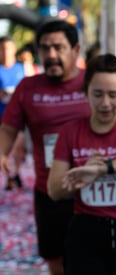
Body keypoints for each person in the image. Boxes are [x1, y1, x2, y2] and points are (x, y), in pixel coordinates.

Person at [47, 53, 116, 275]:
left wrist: (102, 168)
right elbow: (54, 190)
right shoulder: (70, 132)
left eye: (113, 94)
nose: (105, 103)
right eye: (97, 94)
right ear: (85, 92)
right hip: (85, 230)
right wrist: (79, 176)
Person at [0, 20, 91, 275]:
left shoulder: (93, 83)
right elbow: (8, 129)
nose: (51, 55)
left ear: (75, 50)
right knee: (56, 261)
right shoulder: (28, 88)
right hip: (51, 190)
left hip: (95, 188)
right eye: (45, 48)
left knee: (92, 259)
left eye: (58, 48)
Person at [0, 36, 26, 191]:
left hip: (18, 117)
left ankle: (15, 173)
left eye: (8, 48)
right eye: (2, 49)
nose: (5, 52)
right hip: (2, 117)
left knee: (18, 146)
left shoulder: (21, 69)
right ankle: (8, 176)